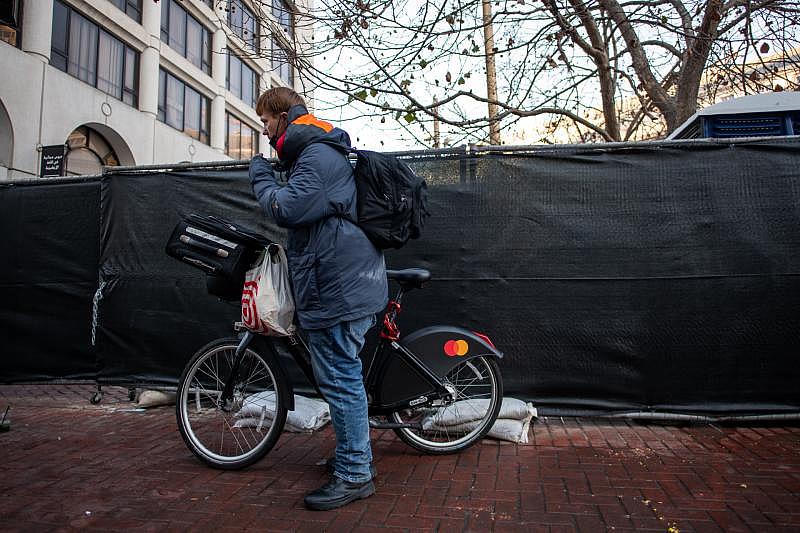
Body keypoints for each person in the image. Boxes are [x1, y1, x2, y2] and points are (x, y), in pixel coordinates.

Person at [248, 87, 387, 511]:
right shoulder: (317, 152)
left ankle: (354, 474)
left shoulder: (317, 156)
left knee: (342, 382)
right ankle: (354, 457)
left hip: (338, 287)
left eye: (267, 123)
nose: (265, 132)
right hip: (339, 282)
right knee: (342, 380)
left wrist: (260, 173)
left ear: (285, 117)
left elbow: (286, 209)